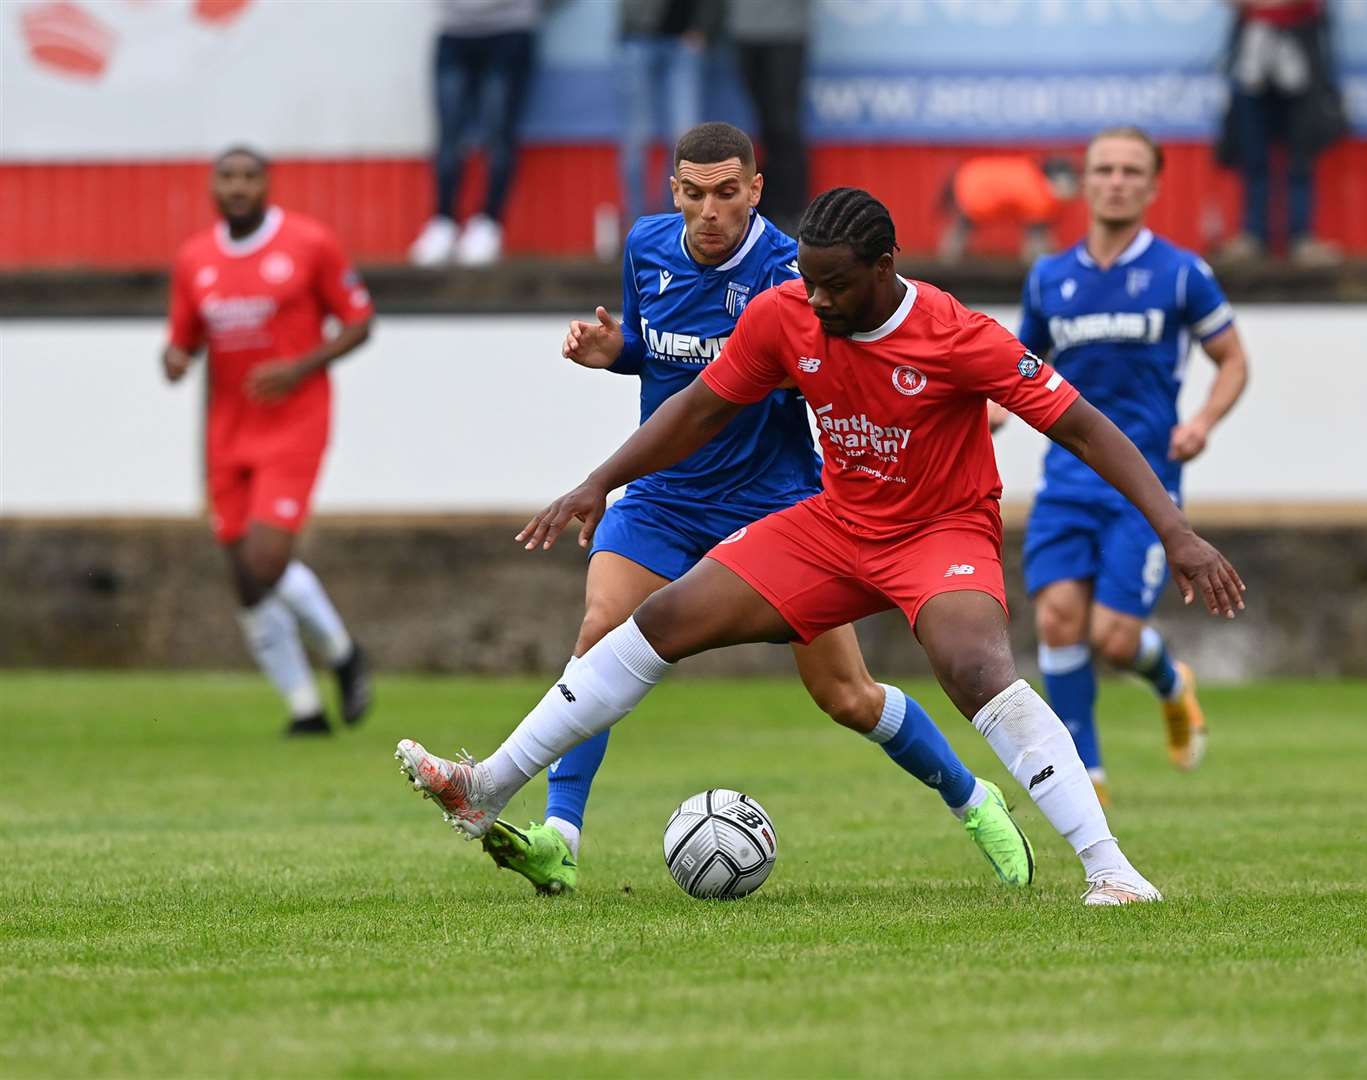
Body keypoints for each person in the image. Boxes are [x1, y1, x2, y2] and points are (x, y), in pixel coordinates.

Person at [396, 186, 1246, 905]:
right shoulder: (787, 312)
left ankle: (1112, 872)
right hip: (834, 525)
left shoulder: (957, 334)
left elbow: (1087, 428)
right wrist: (597, 480)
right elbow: (697, 410)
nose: (819, 300)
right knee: (659, 620)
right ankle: (486, 788)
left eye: (836, 284)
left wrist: (1176, 533)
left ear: (886, 268)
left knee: (972, 666)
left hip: (939, 531)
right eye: (808, 279)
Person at [476, 122, 1034, 895]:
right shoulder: (645, 246)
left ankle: (973, 800)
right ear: (673, 190)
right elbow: (667, 351)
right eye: (693, 193)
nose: (709, 211)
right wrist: (620, 354)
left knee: (847, 696)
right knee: (601, 632)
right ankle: (559, 837)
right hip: (669, 494)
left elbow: (837, 365)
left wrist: (947, 405)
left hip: (776, 501)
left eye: (727, 193)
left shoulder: (793, 269)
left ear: (755, 191)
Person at [1012, 127, 1250, 806]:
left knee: (1113, 640)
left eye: (1130, 171)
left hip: (1146, 488)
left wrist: (1201, 421)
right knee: (1058, 618)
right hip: (1067, 480)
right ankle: (1087, 774)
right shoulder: (1049, 277)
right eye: (1104, 169)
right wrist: (992, 410)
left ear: (1152, 186)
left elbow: (1232, 359)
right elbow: (1022, 367)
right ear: (1085, 182)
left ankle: (1172, 683)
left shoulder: (1181, 273)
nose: (1116, 181)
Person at [165, 147, 375, 736]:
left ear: (266, 186)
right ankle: (305, 709)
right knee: (243, 576)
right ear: (213, 188)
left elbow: (359, 321)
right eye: (226, 177)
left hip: (293, 423)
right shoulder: (195, 259)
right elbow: (183, 339)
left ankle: (343, 652)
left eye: (248, 177)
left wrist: (299, 367)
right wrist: (174, 359)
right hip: (227, 432)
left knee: (267, 558)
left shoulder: (309, 244)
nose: (237, 187)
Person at [408, 0, 542, 267]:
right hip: (454, 30)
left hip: (511, 29)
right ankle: (443, 221)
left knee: (499, 133)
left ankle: (489, 223)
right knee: (448, 135)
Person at [1214, 0, 1347, 264]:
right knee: (1253, 157)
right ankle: (1252, 237)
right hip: (1252, 60)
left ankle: (1302, 238)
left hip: (1301, 58)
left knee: (1301, 157)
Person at [617, 0, 715, 230]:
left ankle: (671, 224)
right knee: (636, 137)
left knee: (685, 140)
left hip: (684, 38)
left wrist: (704, 28)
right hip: (638, 37)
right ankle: (637, 226)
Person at [726, 0, 809, 234]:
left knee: (783, 124)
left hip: (785, 32)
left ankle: (793, 212)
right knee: (761, 127)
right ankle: (768, 210)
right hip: (743, 32)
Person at [939, 155, 1079, 264]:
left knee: (964, 224)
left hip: (973, 178)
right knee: (965, 223)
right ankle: (949, 258)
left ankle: (949, 257)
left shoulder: (1035, 184)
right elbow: (1037, 233)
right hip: (978, 187)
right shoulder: (1038, 195)